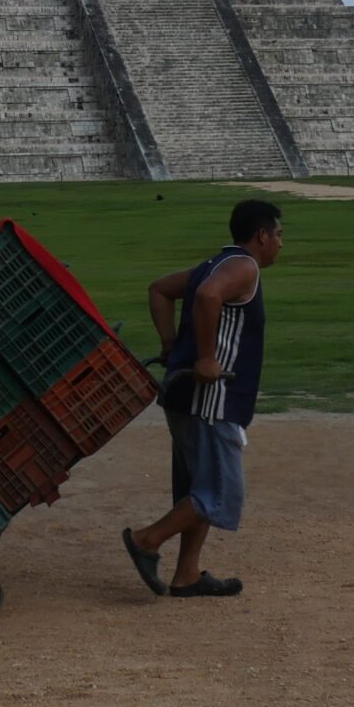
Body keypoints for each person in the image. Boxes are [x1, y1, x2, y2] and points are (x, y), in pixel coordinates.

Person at [122, 198, 284, 599]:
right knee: (222, 492)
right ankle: (146, 540)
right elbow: (209, 297)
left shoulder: (216, 263)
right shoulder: (243, 267)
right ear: (261, 235)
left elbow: (160, 290)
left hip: (186, 397)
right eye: (279, 235)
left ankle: (187, 575)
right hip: (209, 401)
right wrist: (206, 357)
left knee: (198, 489)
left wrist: (169, 342)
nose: (281, 243)